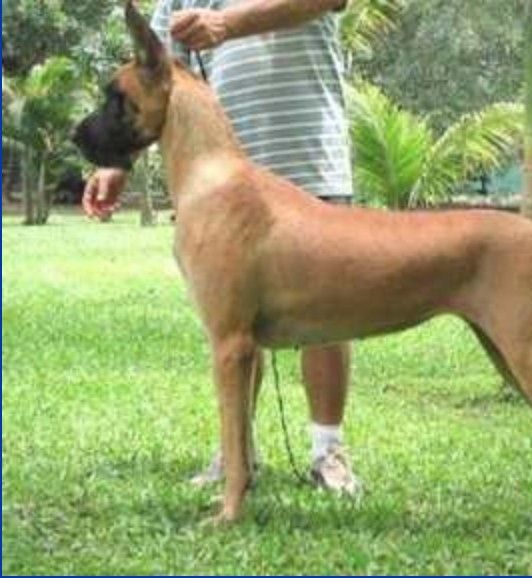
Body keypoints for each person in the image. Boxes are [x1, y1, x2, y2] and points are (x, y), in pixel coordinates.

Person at [83, 0, 359, 493]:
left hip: (305, 146)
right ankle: (237, 453)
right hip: (221, 163)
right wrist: (116, 162)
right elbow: (156, 80)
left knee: (329, 310)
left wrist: (227, 23)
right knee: (235, 319)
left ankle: (328, 451)